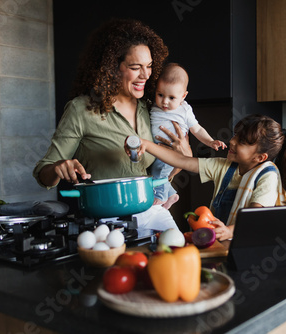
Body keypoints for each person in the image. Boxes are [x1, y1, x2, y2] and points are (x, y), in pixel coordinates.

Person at [33, 18, 191, 231]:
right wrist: (59, 167)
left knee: (176, 255)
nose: (145, 75)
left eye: (149, 66)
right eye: (136, 67)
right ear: (112, 67)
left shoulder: (152, 109)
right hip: (106, 222)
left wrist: (183, 154)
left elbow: (172, 165)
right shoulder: (82, 110)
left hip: (151, 212)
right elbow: (44, 174)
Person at [128, 114, 286, 240]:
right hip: (221, 242)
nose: (232, 141)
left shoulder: (267, 176)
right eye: (236, 135)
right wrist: (146, 144)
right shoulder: (224, 167)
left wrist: (230, 231)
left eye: (242, 142)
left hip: (247, 247)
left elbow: (255, 218)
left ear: (260, 158)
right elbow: (182, 160)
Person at [150, 63, 226, 208]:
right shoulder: (154, 104)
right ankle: (171, 195)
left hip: (170, 151)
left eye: (171, 98)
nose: (164, 101)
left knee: (158, 173)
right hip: (157, 149)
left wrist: (210, 141)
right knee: (159, 174)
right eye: (160, 94)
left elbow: (196, 129)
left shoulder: (184, 110)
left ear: (183, 96)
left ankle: (160, 197)